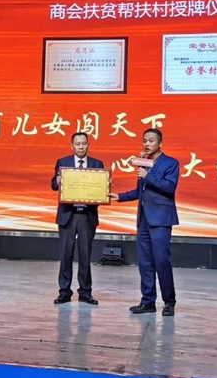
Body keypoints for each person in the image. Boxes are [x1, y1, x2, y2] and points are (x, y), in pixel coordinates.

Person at [108, 128, 179, 317]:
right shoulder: (144, 164)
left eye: (151, 141)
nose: (147, 144)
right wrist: (120, 196)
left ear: (160, 143)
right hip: (144, 219)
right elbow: (140, 191)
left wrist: (148, 175)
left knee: (161, 261)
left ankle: (169, 302)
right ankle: (147, 301)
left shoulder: (171, 163)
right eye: (144, 141)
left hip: (161, 218)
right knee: (145, 262)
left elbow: (169, 187)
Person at [50, 132, 104, 305]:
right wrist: (58, 180)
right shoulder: (62, 162)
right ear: (72, 146)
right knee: (66, 254)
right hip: (68, 215)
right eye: (77, 144)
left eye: (84, 143)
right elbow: (53, 185)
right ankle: (64, 292)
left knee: (85, 255)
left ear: (88, 145)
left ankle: (85, 292)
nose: (81, 147)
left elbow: (101, 189)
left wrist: (105, 186)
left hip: (87, 216)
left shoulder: (97, 164)